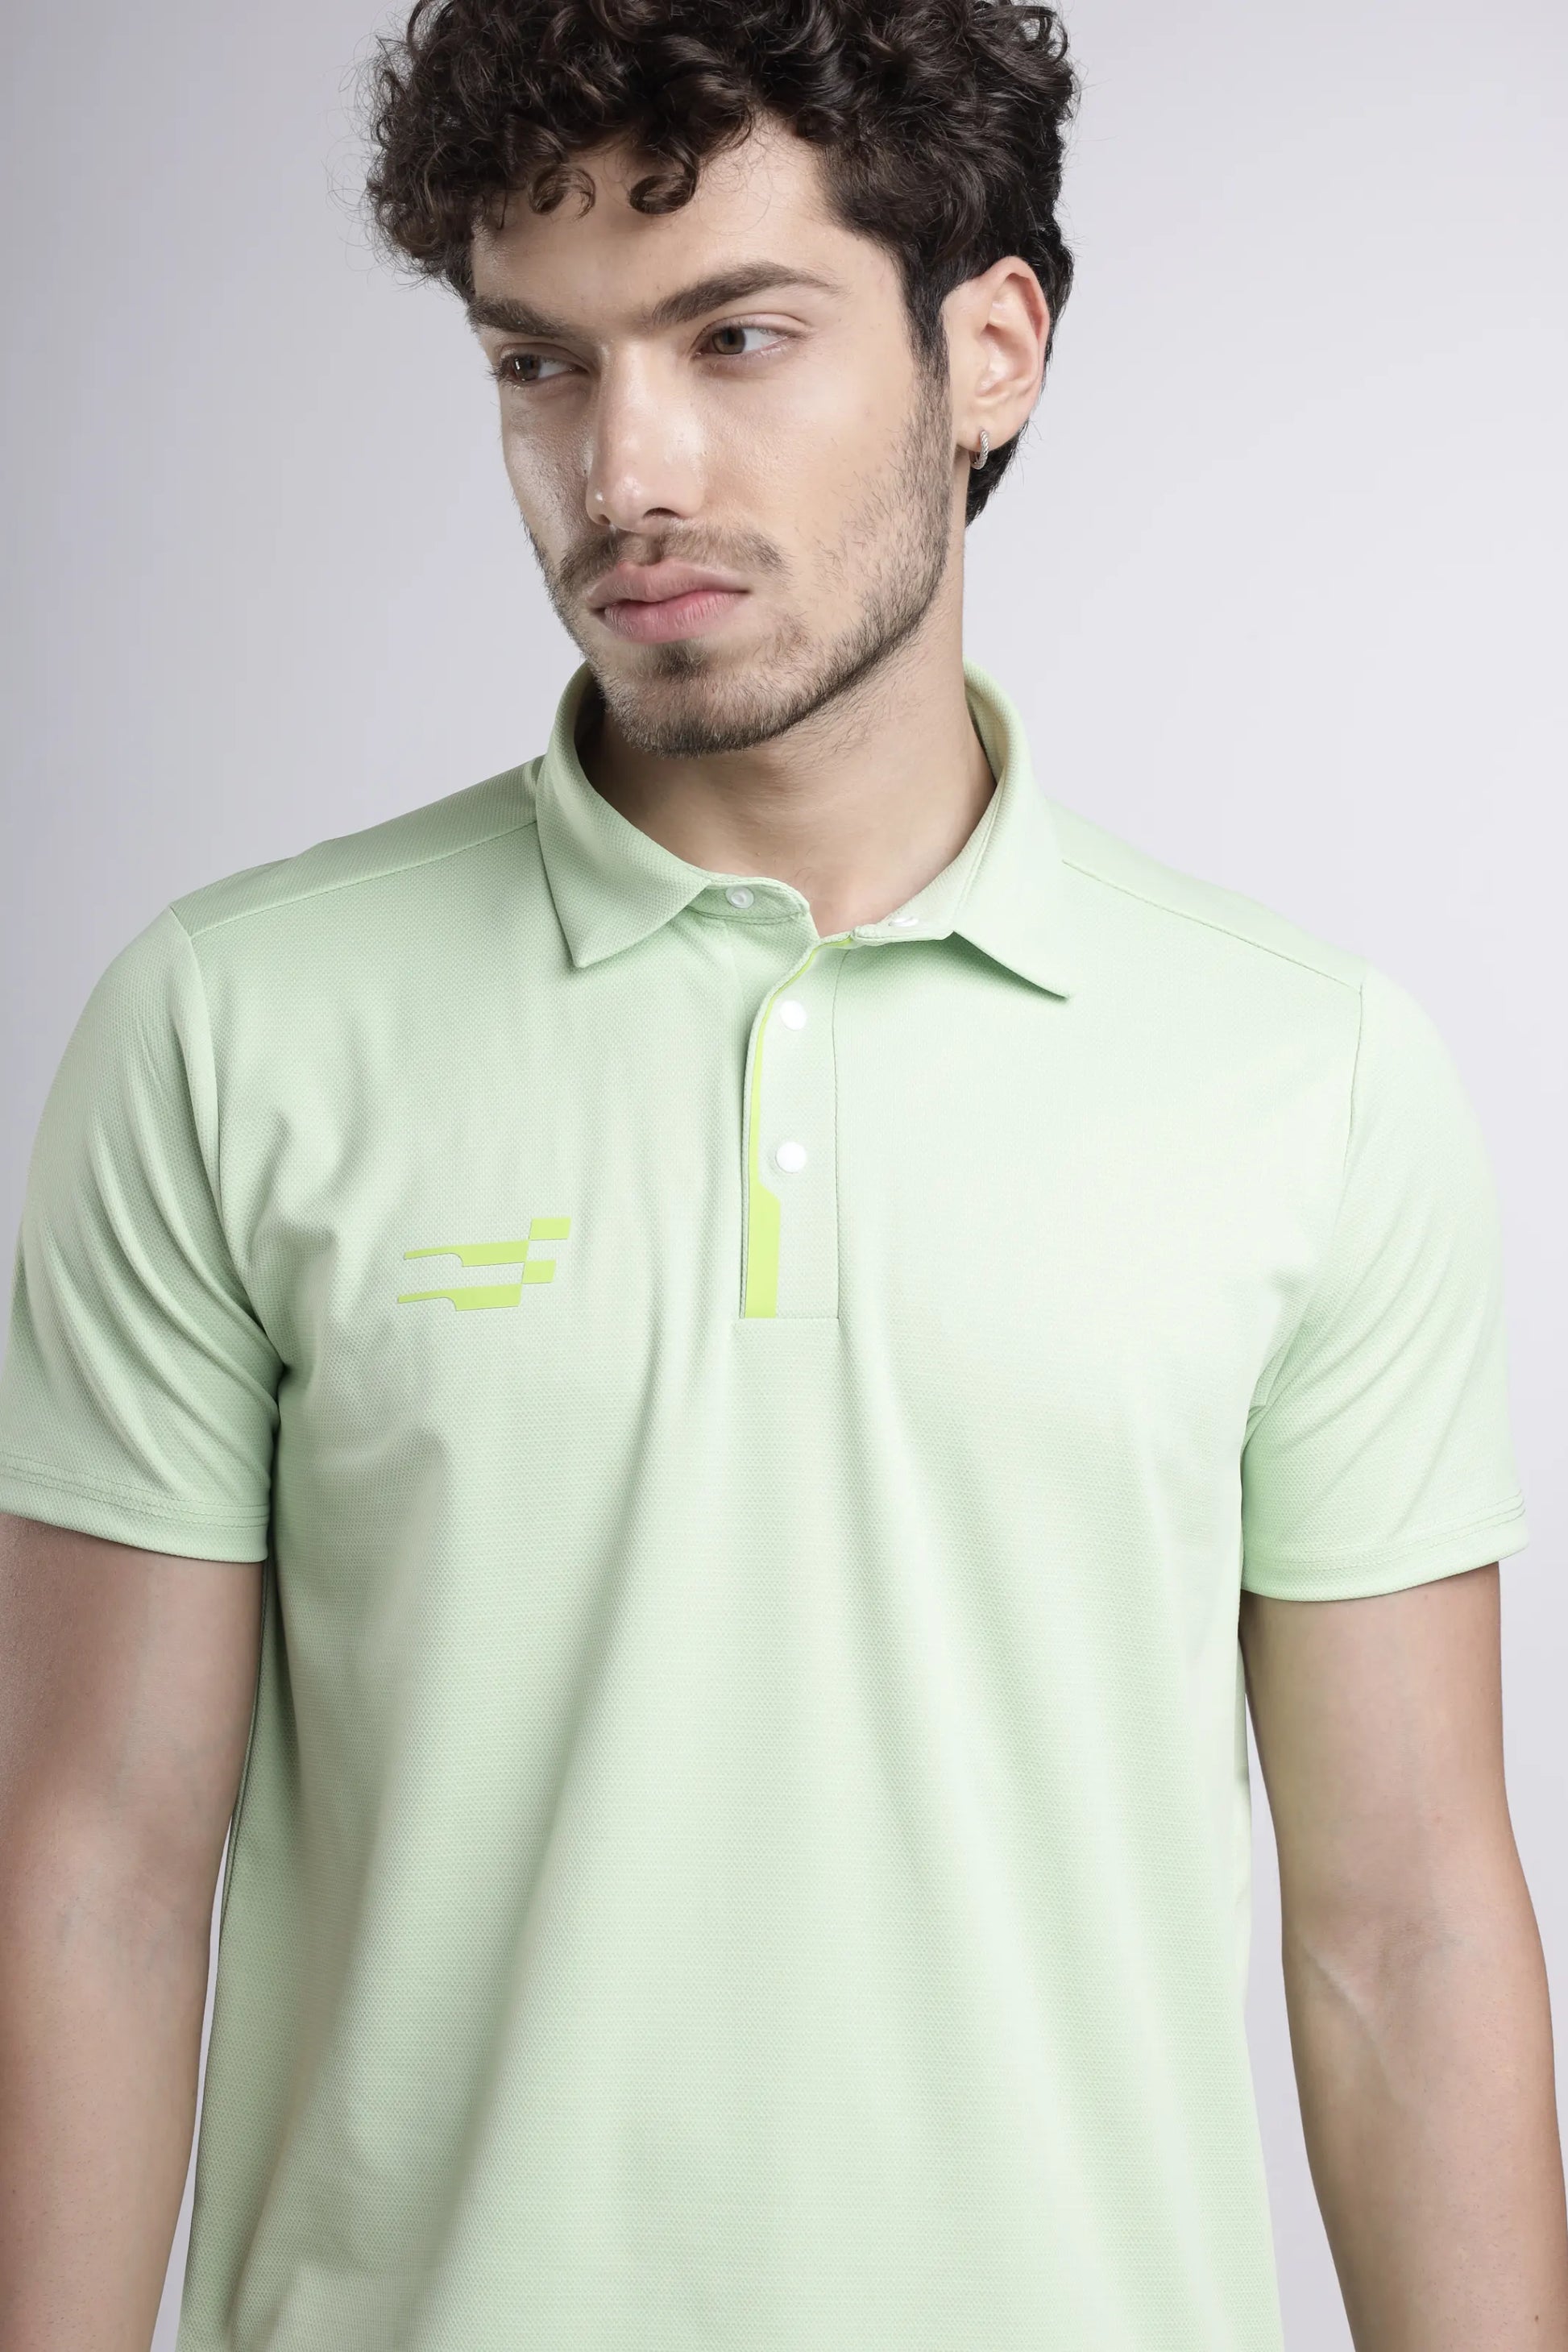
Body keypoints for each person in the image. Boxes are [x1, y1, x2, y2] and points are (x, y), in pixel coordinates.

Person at [1, 1, 1563, 2345]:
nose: (622, 467)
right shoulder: (231, 1027)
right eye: (540, 365)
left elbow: (1404, 1928)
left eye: (734, 337)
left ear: (989, 349)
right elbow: (99, 1882)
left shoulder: (1307, 1076)